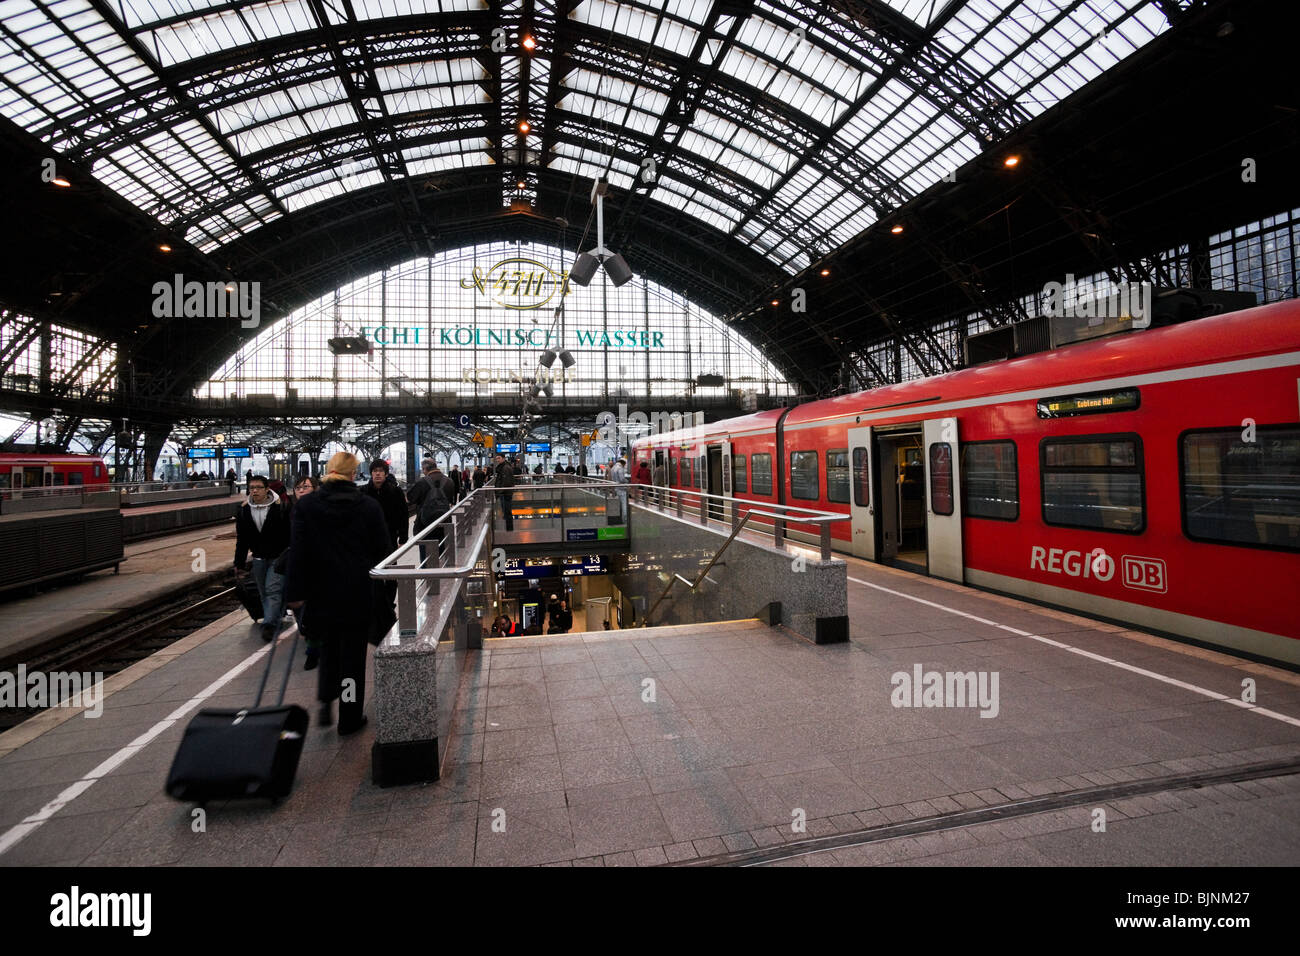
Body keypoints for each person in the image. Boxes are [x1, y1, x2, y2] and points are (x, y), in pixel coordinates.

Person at [284, 452, 390, 734]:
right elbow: (382, 550)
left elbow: (298, 553)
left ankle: (325, 699)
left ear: (328, 472)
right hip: (356, 593)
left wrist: (294, 592)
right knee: (353, 657)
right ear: (354, 474)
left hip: (320, 593)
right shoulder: (368, 507)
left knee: (328, 648)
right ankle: (349, 715)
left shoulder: (306, 506)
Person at [234, 475, 291, 643]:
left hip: (278, 558)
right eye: (252, 488)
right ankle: (275, 617)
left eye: (258, 487)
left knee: (272, 589)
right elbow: (242, 539)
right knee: (263, 591)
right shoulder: (244, 510)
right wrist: (239, 562)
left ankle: (269, 624)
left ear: (267, 489)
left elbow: (289, 535)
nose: (255, 490)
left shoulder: (281, 508)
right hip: (258, 558)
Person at [281, 475, 320, 669]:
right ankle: (312, 642)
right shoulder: (290, 510)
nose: (301, 490)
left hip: (319, 567)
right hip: (300, 565)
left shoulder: (323, 509)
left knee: (315, 608)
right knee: (305, 608)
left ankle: (314, 649)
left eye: (306, 486)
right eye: (298, 487)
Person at [408, 460, 453, 563]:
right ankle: (443, 575)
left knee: (426, 559)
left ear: (425, 469)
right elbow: (450, 499)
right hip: (445, 524)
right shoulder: (449, 481)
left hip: (425, 525)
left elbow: (410, 498)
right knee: (443, 555)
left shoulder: (422, 482)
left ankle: (428, 576)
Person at [360, 458, 409, 551]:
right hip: (368, 537)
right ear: (371, 473)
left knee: (390, 563)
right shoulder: (363, 491)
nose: (377, 473)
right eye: (375, 471)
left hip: (390, 536)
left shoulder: (395, 491)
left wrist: (403, 537)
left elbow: (403, 514)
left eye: (381, 471)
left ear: (386, 474)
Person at [493, 452, 516, 531]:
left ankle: (509, 530)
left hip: (506, 493)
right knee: (506, 512)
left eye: (499, 458)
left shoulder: (505, 468)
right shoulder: (503, 467)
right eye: (496, 459)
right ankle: (508, 529)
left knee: (507, 512)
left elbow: (506, 482)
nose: (497, 460)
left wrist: (499, 492)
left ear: (503, 458)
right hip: (504, 493)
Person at [608, 456, 628, 522]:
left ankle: (619, 519)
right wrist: (626, 481)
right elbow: (622, 479)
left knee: (618, 505)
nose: (624, 466)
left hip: (615, 488)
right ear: (623, 463)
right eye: (624, 465)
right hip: (622, 489)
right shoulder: (620, 468)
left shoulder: (613, 468)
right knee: (624, 505)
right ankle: (624, 519)